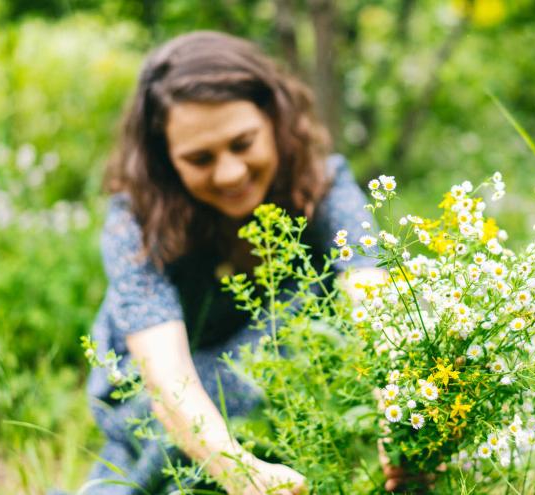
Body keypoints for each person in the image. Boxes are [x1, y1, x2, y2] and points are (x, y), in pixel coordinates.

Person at [81, 31, 384, 495]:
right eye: (200, 159)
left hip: (285, 374)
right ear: (165, 159)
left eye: (242, 144)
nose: (229, 173)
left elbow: (373, 301)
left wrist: (399, 418)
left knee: (296, 337)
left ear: (275, 119)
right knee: (244, 379)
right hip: (152, 387)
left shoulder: (324, 186)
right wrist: (238, 471)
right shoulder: (135, 222)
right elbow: (168, 380)